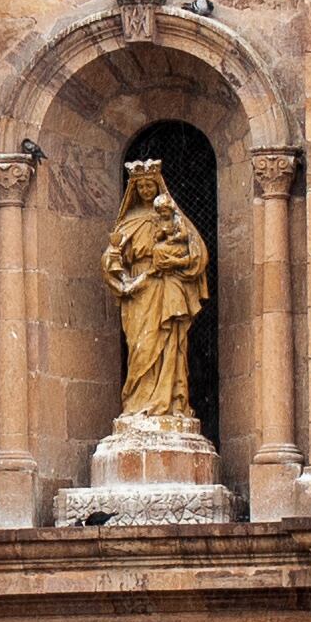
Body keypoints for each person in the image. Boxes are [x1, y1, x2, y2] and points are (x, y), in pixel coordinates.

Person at [100, 153, 212, 433]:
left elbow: (197, 251)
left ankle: (170, 403)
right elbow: (112, 256)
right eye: (142, 187)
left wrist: (172, 260)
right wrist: (120, 276)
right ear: (134, 190)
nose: (147, 190)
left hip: (166, 286)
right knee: (141, 346)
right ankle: (138, 404)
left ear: (158, 186)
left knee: (169, 342)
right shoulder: (129, 222)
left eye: (151, 185)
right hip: (139, 290)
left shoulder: (172, 219)